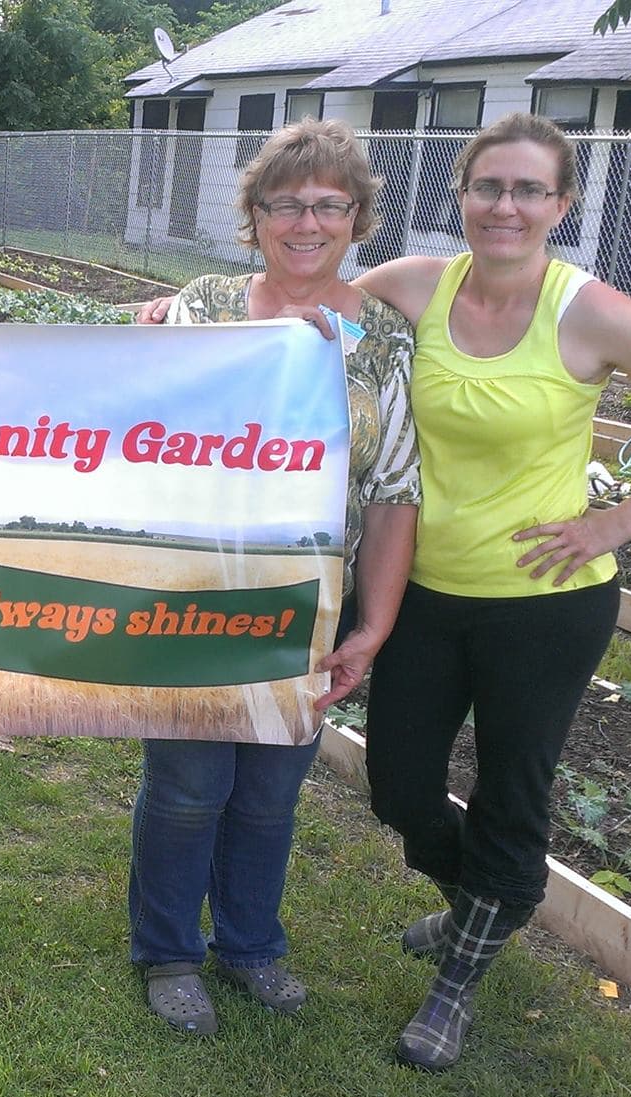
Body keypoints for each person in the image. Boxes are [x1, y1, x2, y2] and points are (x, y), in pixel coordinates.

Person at [350, 112, 631, 1070]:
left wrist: (615, 522)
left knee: (512, 789)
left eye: (528, 190)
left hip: (545, 604)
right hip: (420, 589)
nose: (505, 206)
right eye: (488, 186)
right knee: (400, 786)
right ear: (461, 193)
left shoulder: (590, 313)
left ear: (561, 204)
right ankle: (484, 906)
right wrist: (181, 315)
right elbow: (297, 311)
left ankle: (459, 978)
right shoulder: (413, 285)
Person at [128, 120, 420, 1032]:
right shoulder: (205, 304)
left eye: (329, 205)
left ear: (358, 218)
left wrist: (373, 624)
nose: (306, 222)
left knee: (268, 792)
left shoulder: (384, 340)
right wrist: (145, 344)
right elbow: (139, 418)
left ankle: (251, 945)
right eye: (285, 204)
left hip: (307, 607)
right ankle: (169, 951)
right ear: (254, 216)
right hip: (194, 593)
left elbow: (395, 488)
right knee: (188, 787)